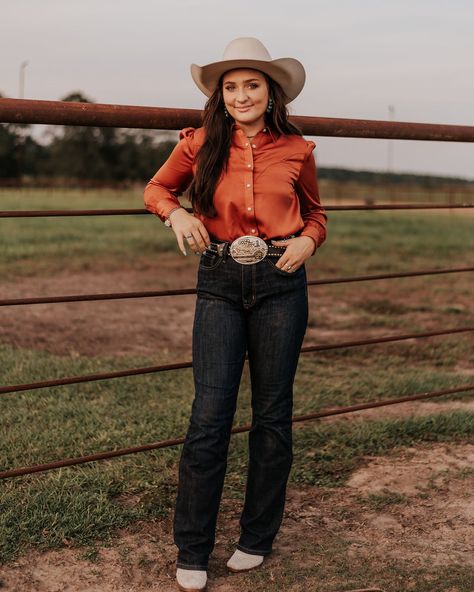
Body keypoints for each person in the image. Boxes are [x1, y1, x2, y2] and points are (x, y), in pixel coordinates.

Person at [143, 36, 327, 592]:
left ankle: (256, 537)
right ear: (219, 95)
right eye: (232, 87)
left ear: (271, 93)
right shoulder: (198, 144)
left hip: (282, 280)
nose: (242, 95)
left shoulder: (297, 149)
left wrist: (309, 242)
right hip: (219, 281)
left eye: (252, 85)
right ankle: (193, 548)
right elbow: (156, 188)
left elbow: (316, 213)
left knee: (272, 415)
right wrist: (174, 215)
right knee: (210, 416)